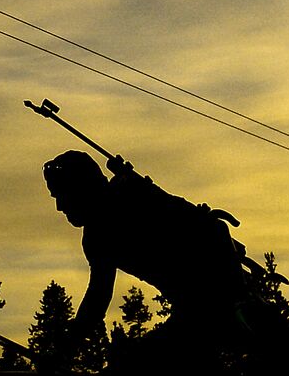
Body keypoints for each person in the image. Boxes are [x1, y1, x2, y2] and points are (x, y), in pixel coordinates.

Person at [43, 150, 269, 364]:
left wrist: (237, 299)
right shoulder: (96, 238)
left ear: (82, 189)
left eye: (62, 195)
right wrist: (67, 347)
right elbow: (97, 299)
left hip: (218, 301)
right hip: (193, 311)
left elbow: (215, 230)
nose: (59, 207)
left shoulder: (131, 196)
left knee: (134, 366)